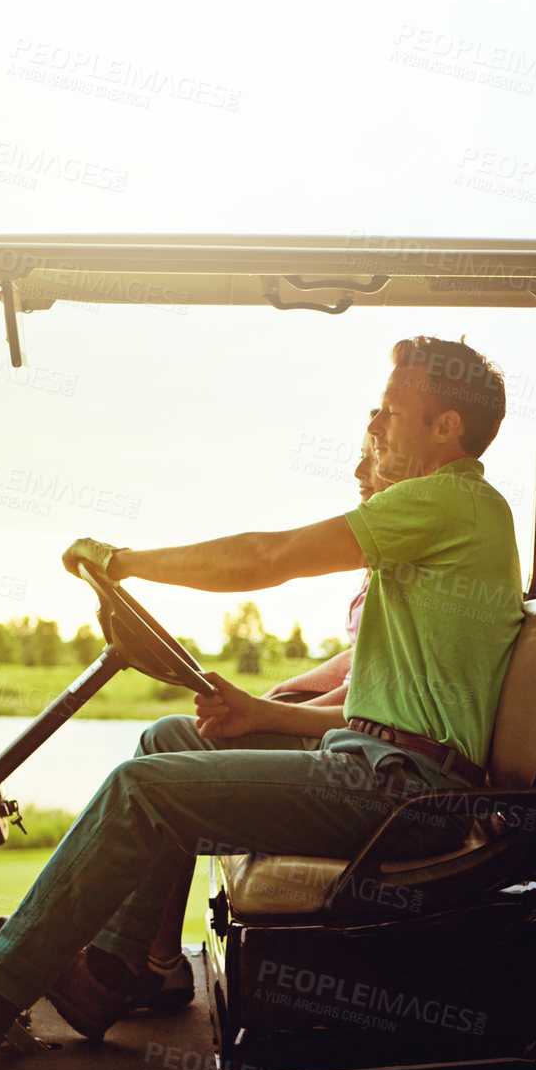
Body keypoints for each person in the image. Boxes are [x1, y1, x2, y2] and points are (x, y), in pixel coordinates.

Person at [0, 336, 525, 1069]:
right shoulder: (448, 516)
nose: (376, 424)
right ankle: (121, 971)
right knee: (167, 741)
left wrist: (126, 563)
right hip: (380, 765)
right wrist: (262, 713)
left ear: (447, 427)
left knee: (140, 789)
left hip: (403, 795)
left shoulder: (449, 500)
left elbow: (263, 559)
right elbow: (381, 712)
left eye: (391, 410)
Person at [108, 429, 392, 1024]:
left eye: (379, 451)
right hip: (355, 738)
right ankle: (146, 958)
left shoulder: (412, 561)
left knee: (159, 763)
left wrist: (263, 714)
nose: (363, 470)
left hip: (376, 764)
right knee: (170, 738)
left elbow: (365, 696)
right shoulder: (381, 568)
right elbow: (348, 670)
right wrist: (267, 701)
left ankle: (122, 960)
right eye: (365, 452)